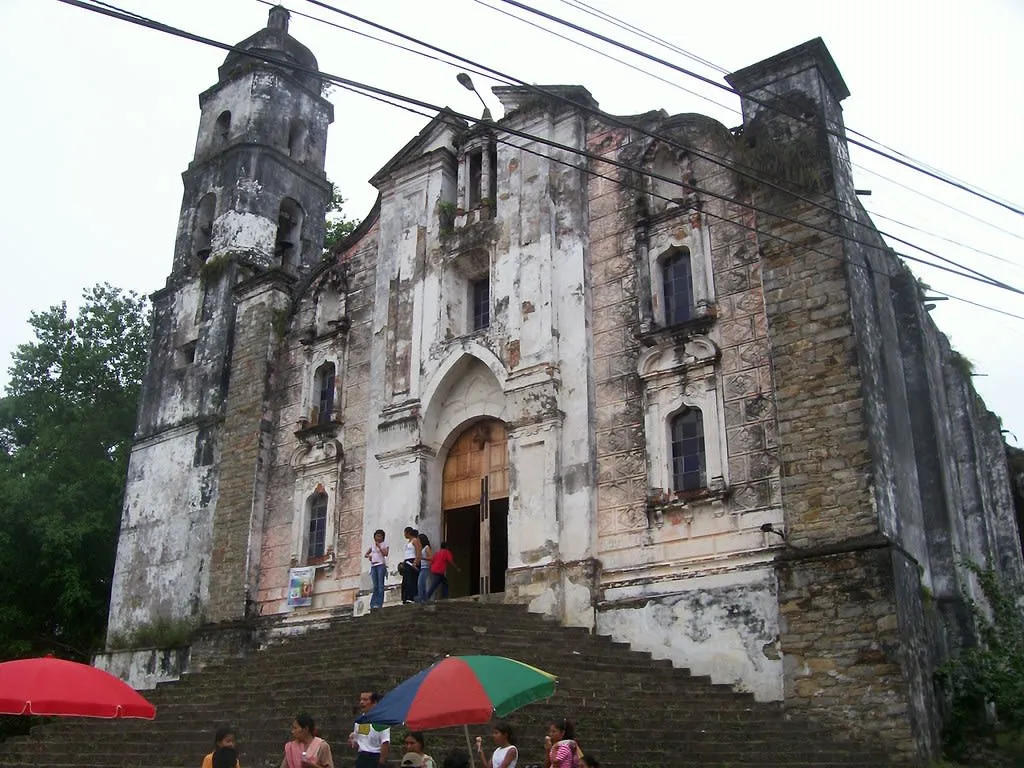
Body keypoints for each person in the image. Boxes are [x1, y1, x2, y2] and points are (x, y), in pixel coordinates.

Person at [349, 691, 390, 768]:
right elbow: (356, 744)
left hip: (375, 757)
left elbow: (385, 743)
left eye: (365, 700)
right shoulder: (359, 721)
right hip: (362, 757)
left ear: (374, 703)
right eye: (361, 699)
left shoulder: (381, 721)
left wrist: (381, 762)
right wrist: (352, 741)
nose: (361, 702)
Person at [364, 529, 389, 610]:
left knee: (380, 585)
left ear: (382, 537)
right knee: (375, 586)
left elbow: (385, 554)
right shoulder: (372, 545)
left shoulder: (384, 544)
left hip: (381, 565)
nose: (378, 538)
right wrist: (369, 556)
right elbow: (366, 554)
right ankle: (373, 604)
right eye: (377, 536)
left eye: (380, 536)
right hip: (373, 566)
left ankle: (379, 603)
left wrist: (379, 547)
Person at [400, 527, 422, 604]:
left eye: (405, 533)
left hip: (412, 561)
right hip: (407, 562)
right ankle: (405, 597)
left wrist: (415, 562)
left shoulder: (415, 540)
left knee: (411, 580)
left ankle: (411, 597)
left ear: (408, 533)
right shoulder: (409, 542)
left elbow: (419, 552)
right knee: (406, 580)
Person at [416, 533, 433, 603]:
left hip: (425, 568)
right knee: (421, 584)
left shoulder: (426, 547)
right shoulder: (421, 548)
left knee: (421, 584)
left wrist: (422, 558)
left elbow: (431, 557)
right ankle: (424, 599)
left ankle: (422, 599)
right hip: (422, 567)